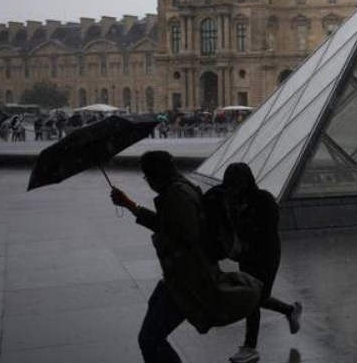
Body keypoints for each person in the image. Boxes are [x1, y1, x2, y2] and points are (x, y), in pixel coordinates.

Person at [110, 151, 264, 363]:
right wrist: (129, 205)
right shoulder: (180, 188)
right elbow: (172, 225)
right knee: (150, 335)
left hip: (186, 280)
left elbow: (187, 236)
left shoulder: (177, 195)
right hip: (179, 277)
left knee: (150, 339)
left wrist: (160, 240)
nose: (147, 182)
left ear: (155, 175)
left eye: (147, 177)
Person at [221, 162, 303, 363]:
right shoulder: (232, 201)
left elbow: (266, 230)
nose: (233, 188)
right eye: (231, 184)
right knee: (256, 296)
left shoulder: (263, 199)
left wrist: (244, 221)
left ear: (245, 181)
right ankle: (290, 310)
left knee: (255, 298)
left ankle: (250, 347)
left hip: (266, 254)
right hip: (248, 256)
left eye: (236, 183)